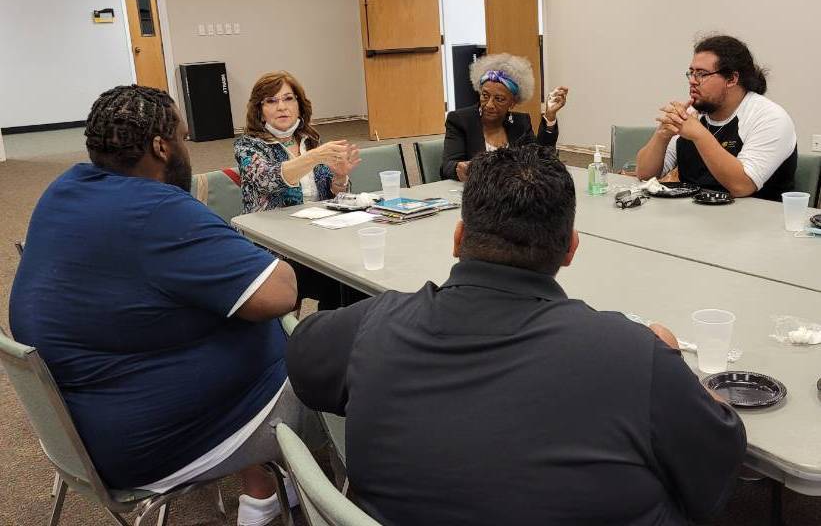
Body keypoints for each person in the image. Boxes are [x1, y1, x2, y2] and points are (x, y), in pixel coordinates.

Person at [286, 145, 747, 526]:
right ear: (570, 250)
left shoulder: (378, 321)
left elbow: (306, 365)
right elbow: (714, 469)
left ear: (458, 238)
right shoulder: (634, 354)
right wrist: (672, 364)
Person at [10, 85, 318, 526]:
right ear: (161, 147)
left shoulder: (65, 188)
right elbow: (280, 293)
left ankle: (262, 490)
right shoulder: (158, 210)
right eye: (184, 138)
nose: (188, 150)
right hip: (160, 444)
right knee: (340, 355)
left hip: (86, 425)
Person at [234, 71, 361, 310]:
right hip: (274, 248)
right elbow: (268, 180)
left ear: (299, 105)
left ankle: (335, 326)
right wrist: (313, 157)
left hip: (318, 237)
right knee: (337, 276)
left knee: (354, 275)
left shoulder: (310, 140)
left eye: (288, 99)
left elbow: (335, 198)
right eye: (271, 101)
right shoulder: (248, 146)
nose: (281, 107)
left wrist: (340, 177)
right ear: (259, 110)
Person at [636, 35, 797, 200]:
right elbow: (645, 175)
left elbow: (742, 187)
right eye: (691, 73)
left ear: (731, 79)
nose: (692, 81)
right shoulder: (692, 113)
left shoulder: (770, 118)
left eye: (702, 74)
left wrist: (700, 135)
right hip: (693, 211)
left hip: (755, 214)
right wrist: (662, 136)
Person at [440, 52, 569, 181]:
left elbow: (540, 159)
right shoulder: (460, 120)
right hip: (475, 190)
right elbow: (447, 166)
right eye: (485, 96)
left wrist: (550, 116)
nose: (489, 105)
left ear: (512, 103)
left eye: (499, 99)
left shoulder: (520, 122)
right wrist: (458, 168)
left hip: (511, 190)